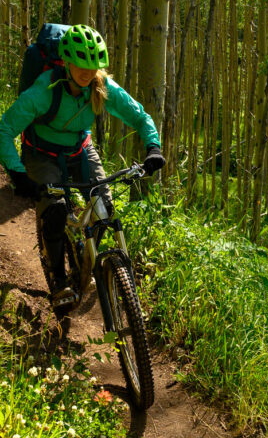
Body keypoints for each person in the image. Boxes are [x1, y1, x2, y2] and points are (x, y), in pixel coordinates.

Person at [0, 24, 165, 307]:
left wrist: (153, 147)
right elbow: (4, 130)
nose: (86, 72)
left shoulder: (101, 87)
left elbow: (138, 115)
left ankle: (85, 268)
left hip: (80, 149)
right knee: (54, 212)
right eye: (80, 64)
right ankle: (60, 281)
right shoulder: (44, 90)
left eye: (93, 65)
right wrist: (18, 173)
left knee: (105, 209)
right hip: (42, 153)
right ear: (66, 61)